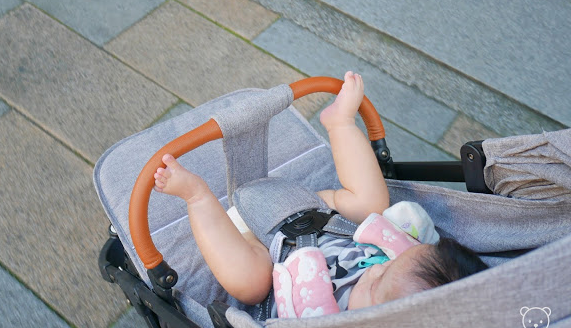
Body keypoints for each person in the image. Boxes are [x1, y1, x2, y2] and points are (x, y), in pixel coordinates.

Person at [153, 71, 487, 312]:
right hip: (325, 215)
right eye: (389, 263)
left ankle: (197, 197)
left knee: (250, 284)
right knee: (373, 203)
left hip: (265, 245)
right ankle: (340, 123)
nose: (377, 267)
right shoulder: (402, 273)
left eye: (376, 283)